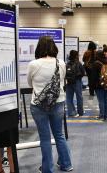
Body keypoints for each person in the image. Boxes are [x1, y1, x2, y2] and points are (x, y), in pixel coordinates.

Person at [27, 36, 73, 173]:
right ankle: (66, 164)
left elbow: (30, 83)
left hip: (38, 105)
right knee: (59, 135)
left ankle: (47, 169)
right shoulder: (61, 63)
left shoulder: (33, 64)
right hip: (58, 102)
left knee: (45, 138)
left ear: (39, 47)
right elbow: (62, 81)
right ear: (54, 47)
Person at [91, 50, 107, 121]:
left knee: (101, 100)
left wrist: (92, 86)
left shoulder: (96, 64)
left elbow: (93, 76)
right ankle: (106, 115)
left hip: (99, 85)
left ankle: (102, 116)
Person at [65, 50, 85, 117]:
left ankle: (71, 112)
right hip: (77, 81)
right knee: (79, 97)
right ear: (76, 55)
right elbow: (83, 72)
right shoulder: (78, 63)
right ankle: (80, 112)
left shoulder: (67, 64)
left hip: (69, 82)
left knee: (69, 98)